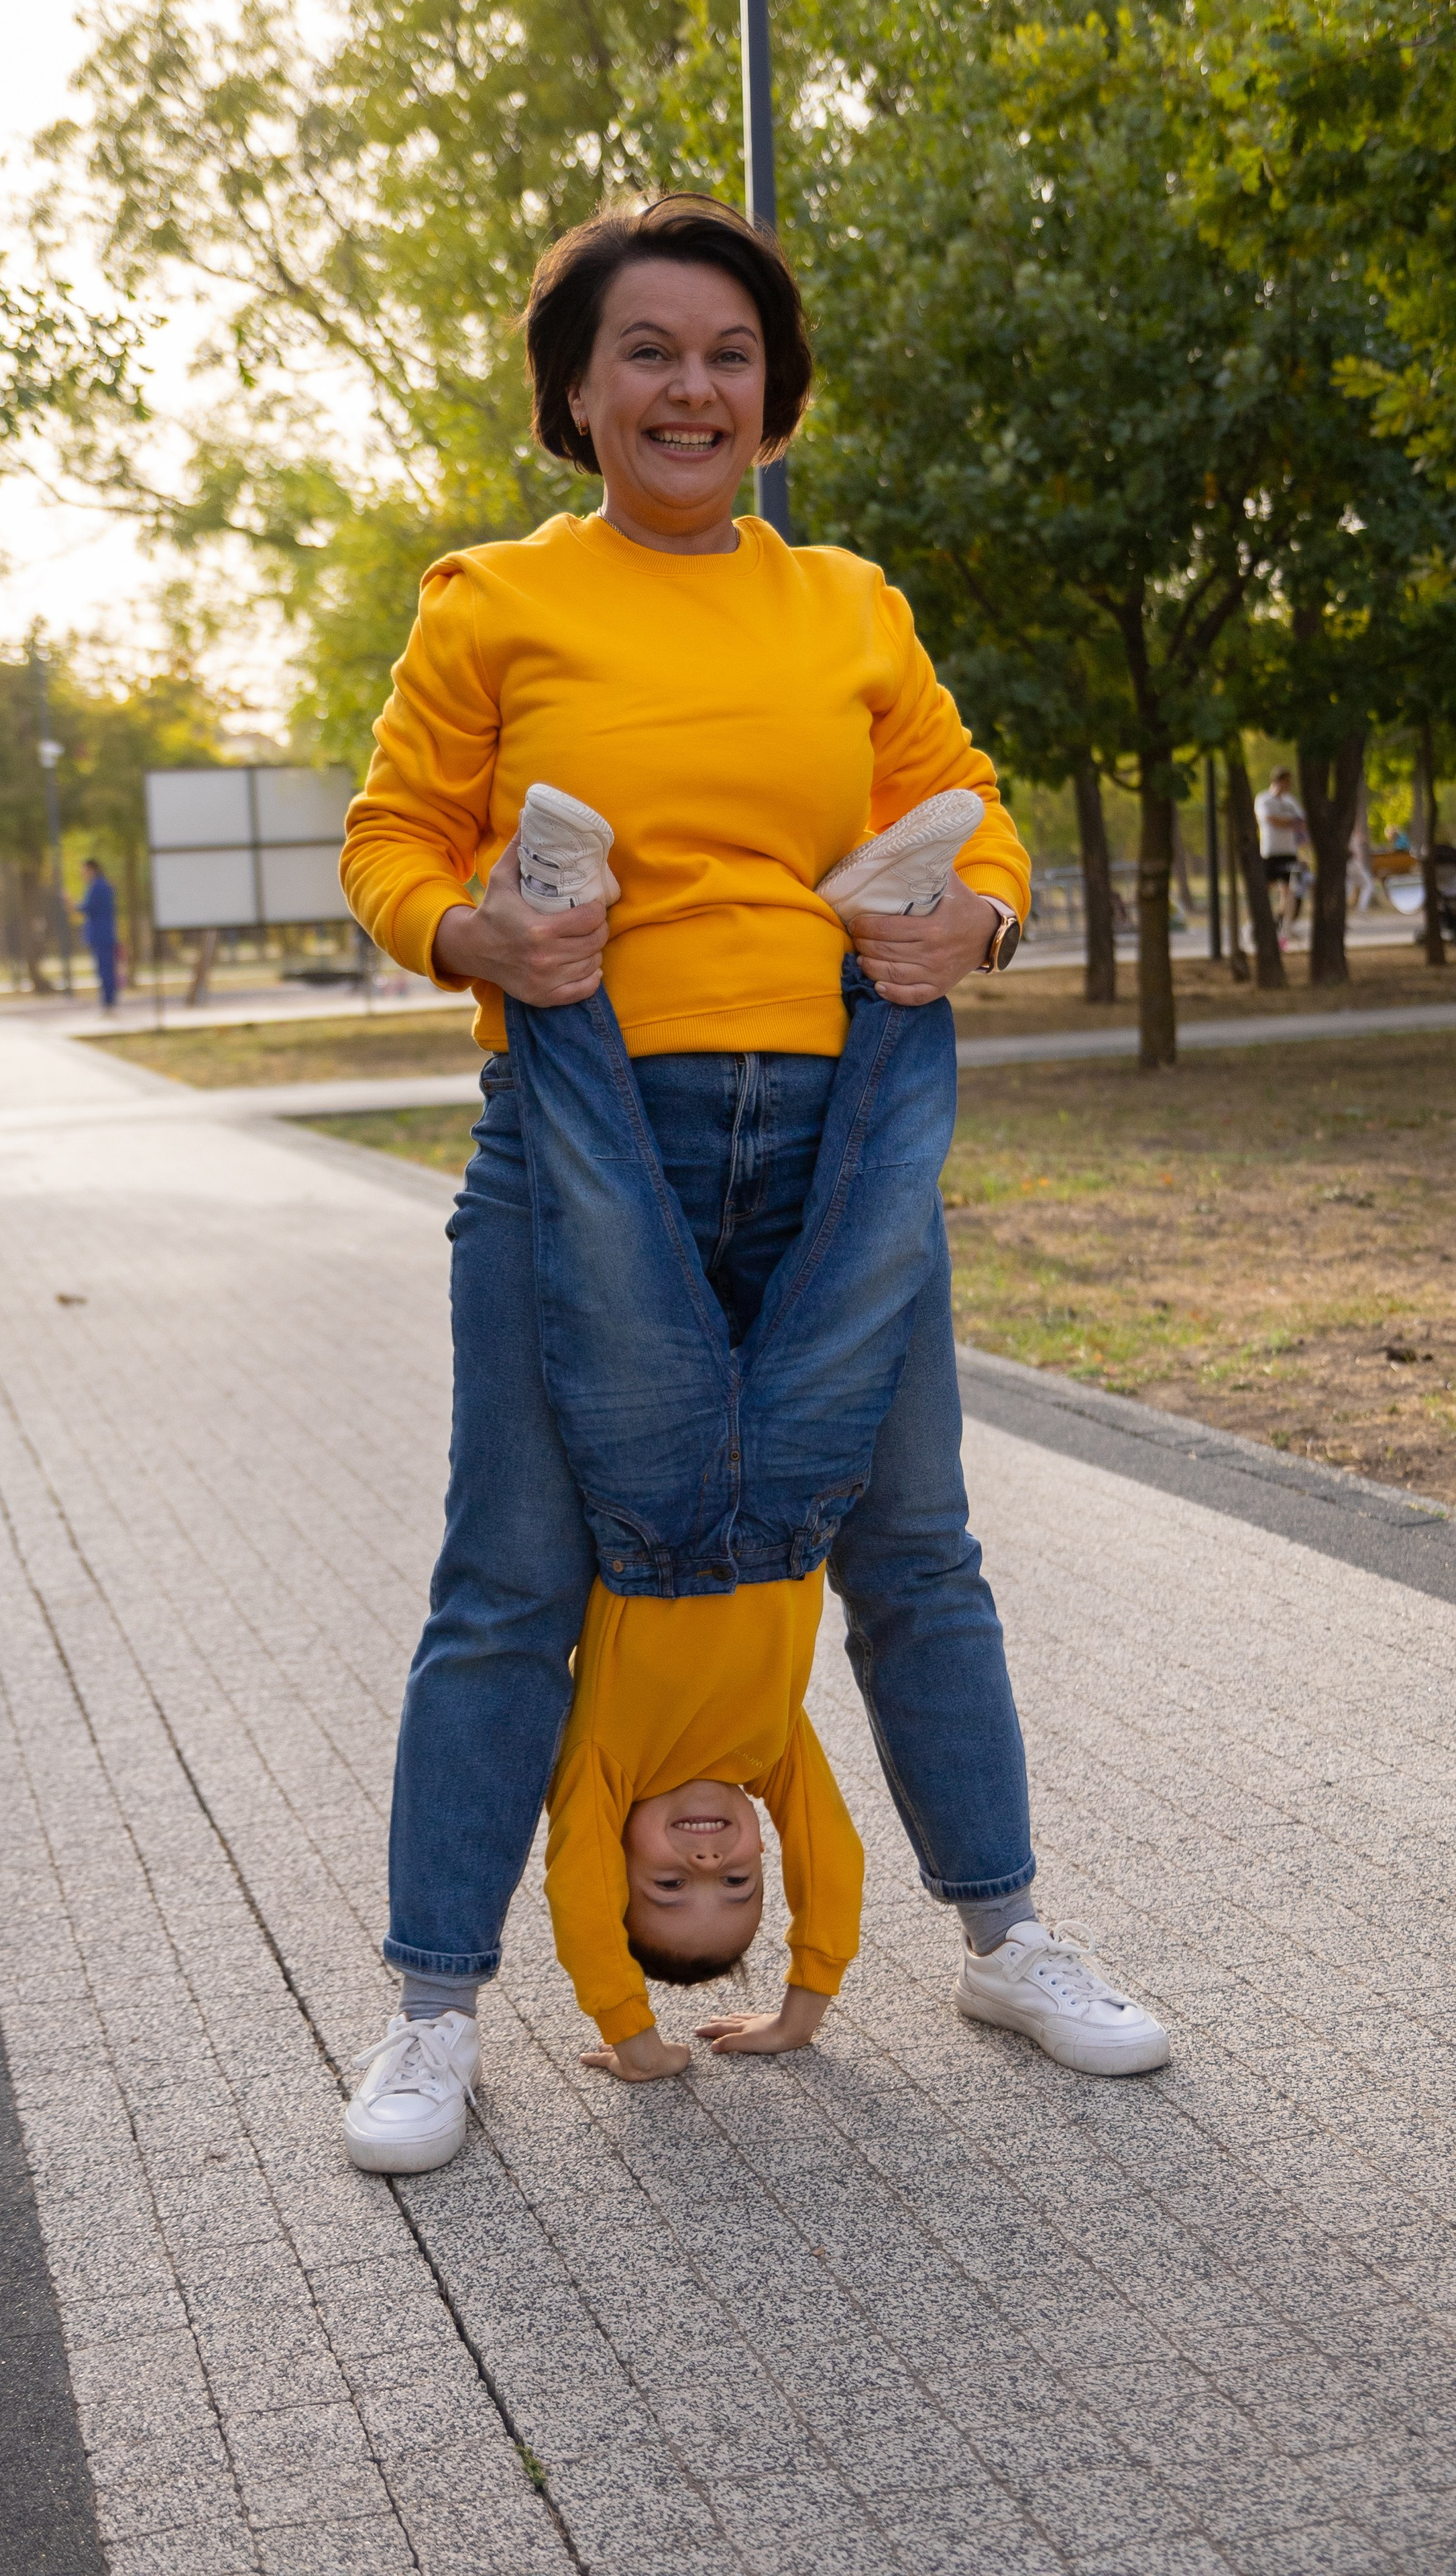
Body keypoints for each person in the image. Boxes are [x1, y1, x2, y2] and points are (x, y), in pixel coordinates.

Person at [337, 195, 1169, 2176]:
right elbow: (389, 839)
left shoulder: (848, 605)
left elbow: (978, 826)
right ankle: (431, 2007)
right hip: (577, 1129)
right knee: (508, 1583)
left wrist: (970, 924)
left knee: (917, 1557)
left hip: (832, 1139)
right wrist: (469, 931)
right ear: (575, 390)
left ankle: (1005, 1938)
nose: (689, 387)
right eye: (645, 350)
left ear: (772, 396)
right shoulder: (490, 601)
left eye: (727, 354)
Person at [546, 1572, 862, 2082]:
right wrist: (797, 2023)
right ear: (760, 1850)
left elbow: (580, 1896)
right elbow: (831, 1852)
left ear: (614, 1857)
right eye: (736, 1881)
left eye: (670, 1885)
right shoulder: (767, 1745)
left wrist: (636, 2044)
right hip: (791, 1529)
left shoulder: (600, 1762)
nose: (707, 1862)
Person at [1255, 767, 1308, 934]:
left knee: (1289, 890)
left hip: (1289, 852)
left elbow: (1303, 822)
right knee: (1266, 888)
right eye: (1287, 782)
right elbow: (1271, 820)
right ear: (1278, 781)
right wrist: (1291, 822)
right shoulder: (1264, 799)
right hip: (1270, 852)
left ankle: (1283, 924)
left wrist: (1288, 822)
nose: (1289, 785)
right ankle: (1260, 925)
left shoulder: (1290, 801)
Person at [79, 859, 119, 1008]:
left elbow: (88, 908)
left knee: (105, 970)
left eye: (84, 871)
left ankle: (108, 1002)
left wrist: (71, 904)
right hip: (105, 934)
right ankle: (109, 1001)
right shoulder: (104, 886)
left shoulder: (97, 887)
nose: (82, 875)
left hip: (101, 935)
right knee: (106, 969)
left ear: (92, 870)